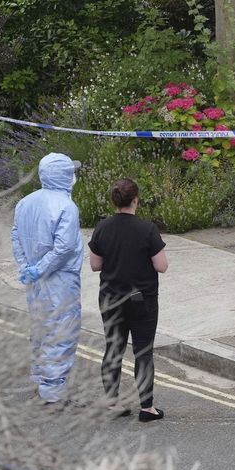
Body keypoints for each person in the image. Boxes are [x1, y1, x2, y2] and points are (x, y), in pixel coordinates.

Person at [88, 178, 169, 422]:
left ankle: (112, 404)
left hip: (111, 299)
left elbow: (95, 265)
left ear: (114, 200)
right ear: (136, 200)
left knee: (113, 349)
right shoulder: (147, 230)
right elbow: (162, 266)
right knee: (143, 351)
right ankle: (147, 408)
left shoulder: (102, 227)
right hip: (141, 300)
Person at [10, 153, 83, 404]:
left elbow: (16, 237)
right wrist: (41, 268)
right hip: (60, 279)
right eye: (71, 171)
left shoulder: (25, 202)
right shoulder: (67, 207)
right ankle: (53, 391)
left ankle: (41, 378)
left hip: (34, 279)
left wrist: (27, 267)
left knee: (41, 327)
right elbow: (64, 248)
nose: (74, 176)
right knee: (61, 330)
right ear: (64, 175)